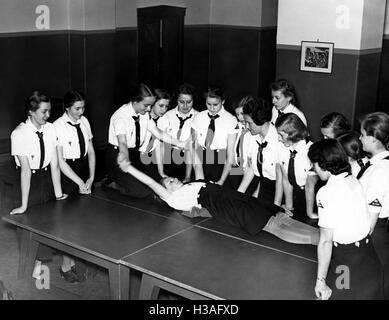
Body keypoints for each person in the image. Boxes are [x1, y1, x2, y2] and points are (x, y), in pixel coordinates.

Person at [117, 152, 319, 245]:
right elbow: (152, 183)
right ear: (164, 193)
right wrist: (130, 169)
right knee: (272, 225)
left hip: (231, 196)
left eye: (171, 177)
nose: (174, 179)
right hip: (223, 205)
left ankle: (323, 235)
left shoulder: (191, 184)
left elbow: (196, 162)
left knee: (276, 216)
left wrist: (190, 145)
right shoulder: (174, 199)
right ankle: (316, 240)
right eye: (169, 181)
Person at [308, 139, 383, 300]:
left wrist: (320, 281)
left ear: (323, 164)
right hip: (368, 256)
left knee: (339, 295)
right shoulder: (353, 180)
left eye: (313, 164)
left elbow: (326, 241)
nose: (313, 169)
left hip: (346, 261)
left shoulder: (326, 192)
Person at [10, 91, 68, 278]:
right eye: (43, 112)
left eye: (49, 111)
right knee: (30, 224)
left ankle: (41, 261)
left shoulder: (51, 129)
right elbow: (26, 170)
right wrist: (24, 205)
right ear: (31, 111)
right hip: (29, 181)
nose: (48, 115)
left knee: (49, 222)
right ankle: (31, 263)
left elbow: (55, 163)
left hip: (46, 179)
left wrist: (58, 193)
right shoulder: (19, 133)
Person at [106, 83, 188, 198]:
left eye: (150, 105)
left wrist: (181, 143)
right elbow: (122, 142)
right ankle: (112, 182)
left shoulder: (144, 114)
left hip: (135, 154)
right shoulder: (120, 117)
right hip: (118, 155)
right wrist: (124, 157)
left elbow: (158, 133)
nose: (149, 109)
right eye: (146, 105)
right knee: (141, 192)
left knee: (159, 181)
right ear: (135, 101)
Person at [53, 90, 96, 283]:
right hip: (67, 174)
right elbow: (60, 161)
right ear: (67, 108)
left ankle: (80, 260)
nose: (81, 111)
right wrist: (79, 182)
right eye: (77, 108)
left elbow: (92, 151)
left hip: (84, 171)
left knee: (84, 222)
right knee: (69, 225)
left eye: (83, 107)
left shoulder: (85, 121)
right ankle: (65, 266)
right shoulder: (57, 126)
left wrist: (91, 178)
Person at [358, 112, 389, 299]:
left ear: (373, 138)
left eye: (362, 135)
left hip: (373, 229)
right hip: (376, 227)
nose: (360, 139)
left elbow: (373, 213)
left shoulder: (379, 171)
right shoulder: (378, 164)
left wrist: (358, 242)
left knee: (377, 281)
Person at [305, 112, 352, 221]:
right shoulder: (324, 151)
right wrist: (310, 213)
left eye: (328, 137)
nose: (325, 140)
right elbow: (310, 182)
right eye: (323, 136)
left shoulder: (352, 153)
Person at [237, 96, 284, 204]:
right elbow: (250, 168)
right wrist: (239, 193)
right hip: (262, 184)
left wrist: (276, 206)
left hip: (278, 189)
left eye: (249, 123)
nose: (247, 127)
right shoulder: (250, 136)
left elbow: (281, 180)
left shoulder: (279, 139)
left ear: (260, 120)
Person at [191, 85, 238, 184]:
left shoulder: (231, 120)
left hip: (220, 160)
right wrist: (198, 171)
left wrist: (221, 180)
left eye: (216, 104)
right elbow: (195, 147)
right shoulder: (199, 117)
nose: (211, 108)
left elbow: (230, 154)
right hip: (200, 158)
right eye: (208, 104)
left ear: (223, 101)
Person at [275, 113, 314, 223]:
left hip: (310, 199)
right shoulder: (281, 147)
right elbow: (286, 179)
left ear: (292, 134)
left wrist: (309, 213)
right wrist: (289, 206)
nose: (278, 138)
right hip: (294, 196)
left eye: (281, 135)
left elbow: (310, 186)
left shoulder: (310, 150)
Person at [157, 84, 198, 182]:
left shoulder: (199, 117)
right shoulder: (166, 115)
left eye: (188, 102)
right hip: (167, 158)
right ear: (176, 100)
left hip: (189, 160)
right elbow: (160, 143)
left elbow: (193, 146)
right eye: (181, 102)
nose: (185, 106)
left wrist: (187, 176)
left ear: (193, 101)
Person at [139, 88, 170, 177]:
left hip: (149, 157)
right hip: (136, 155)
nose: (164, 109)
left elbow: (159, 147)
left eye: (166, 106)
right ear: (152, 104)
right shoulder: (142, 117)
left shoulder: (165, 120)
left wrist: (161, 173)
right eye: (161, 106)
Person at [225, 99, 251, 190]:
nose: (240, 117)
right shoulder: (238, 126)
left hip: (248, 171)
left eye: (242, 114)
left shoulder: (254, 131)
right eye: (237, 114)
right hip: (236, 168)